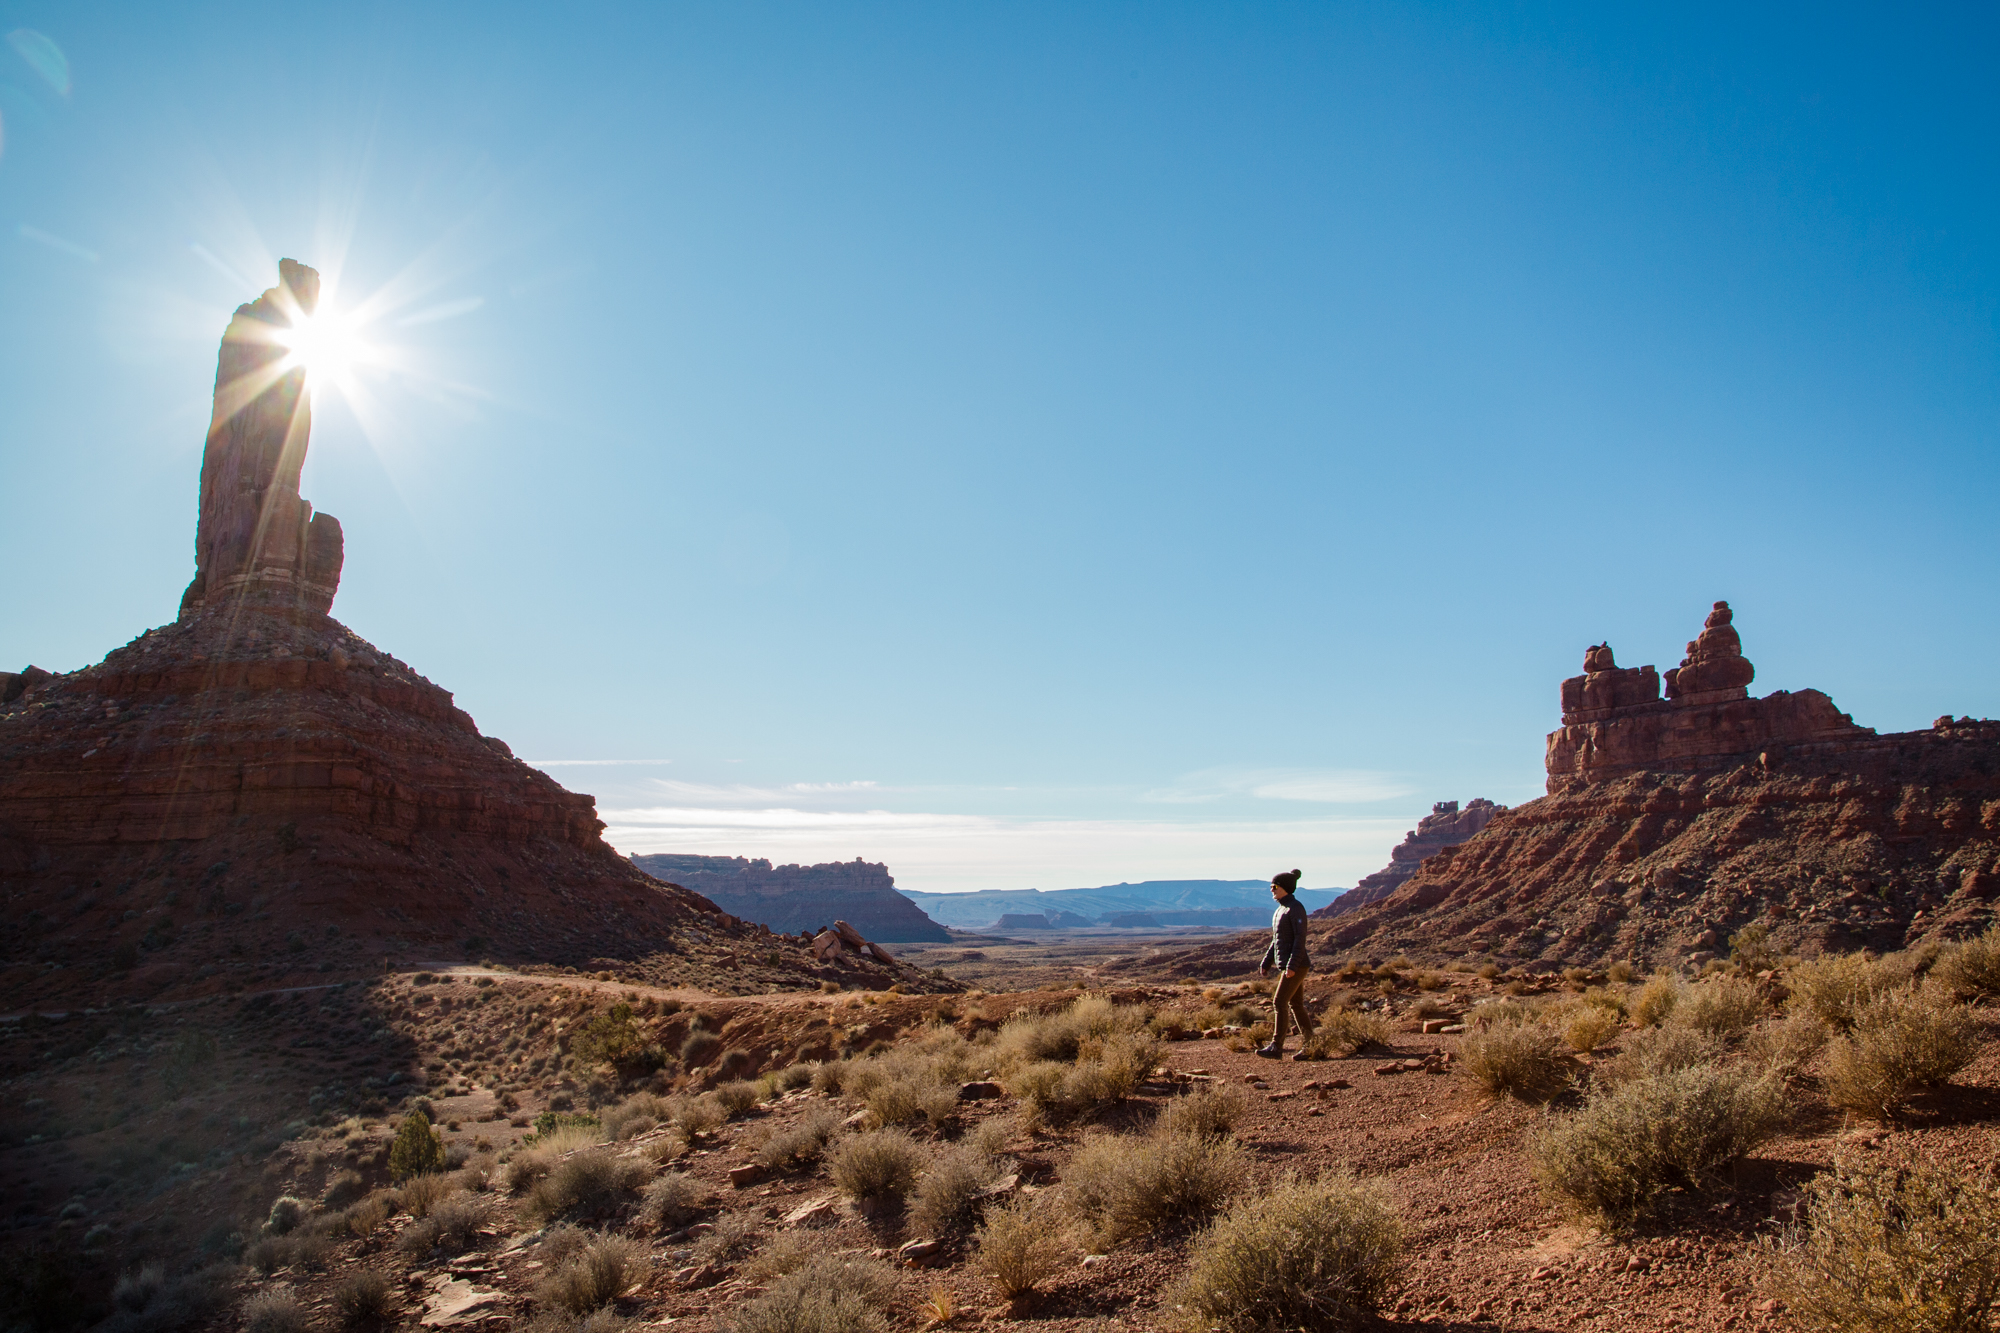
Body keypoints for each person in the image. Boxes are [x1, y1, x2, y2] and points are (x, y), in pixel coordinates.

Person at [1256, 869, 1315, 1059]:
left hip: (1296, 965)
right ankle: (1311, 1045)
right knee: (1296, 1004)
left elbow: (1300, 938)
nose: (1271, 890)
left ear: (1285, 888)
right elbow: (1277, 939)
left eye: (1274, 887)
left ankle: (1276, 1046)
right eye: (1271, 887)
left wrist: (1292, 965)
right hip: (1289, 964)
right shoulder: (1281, 909)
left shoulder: (1295, 908)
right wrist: (1267, 961)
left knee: (1279, 1002)